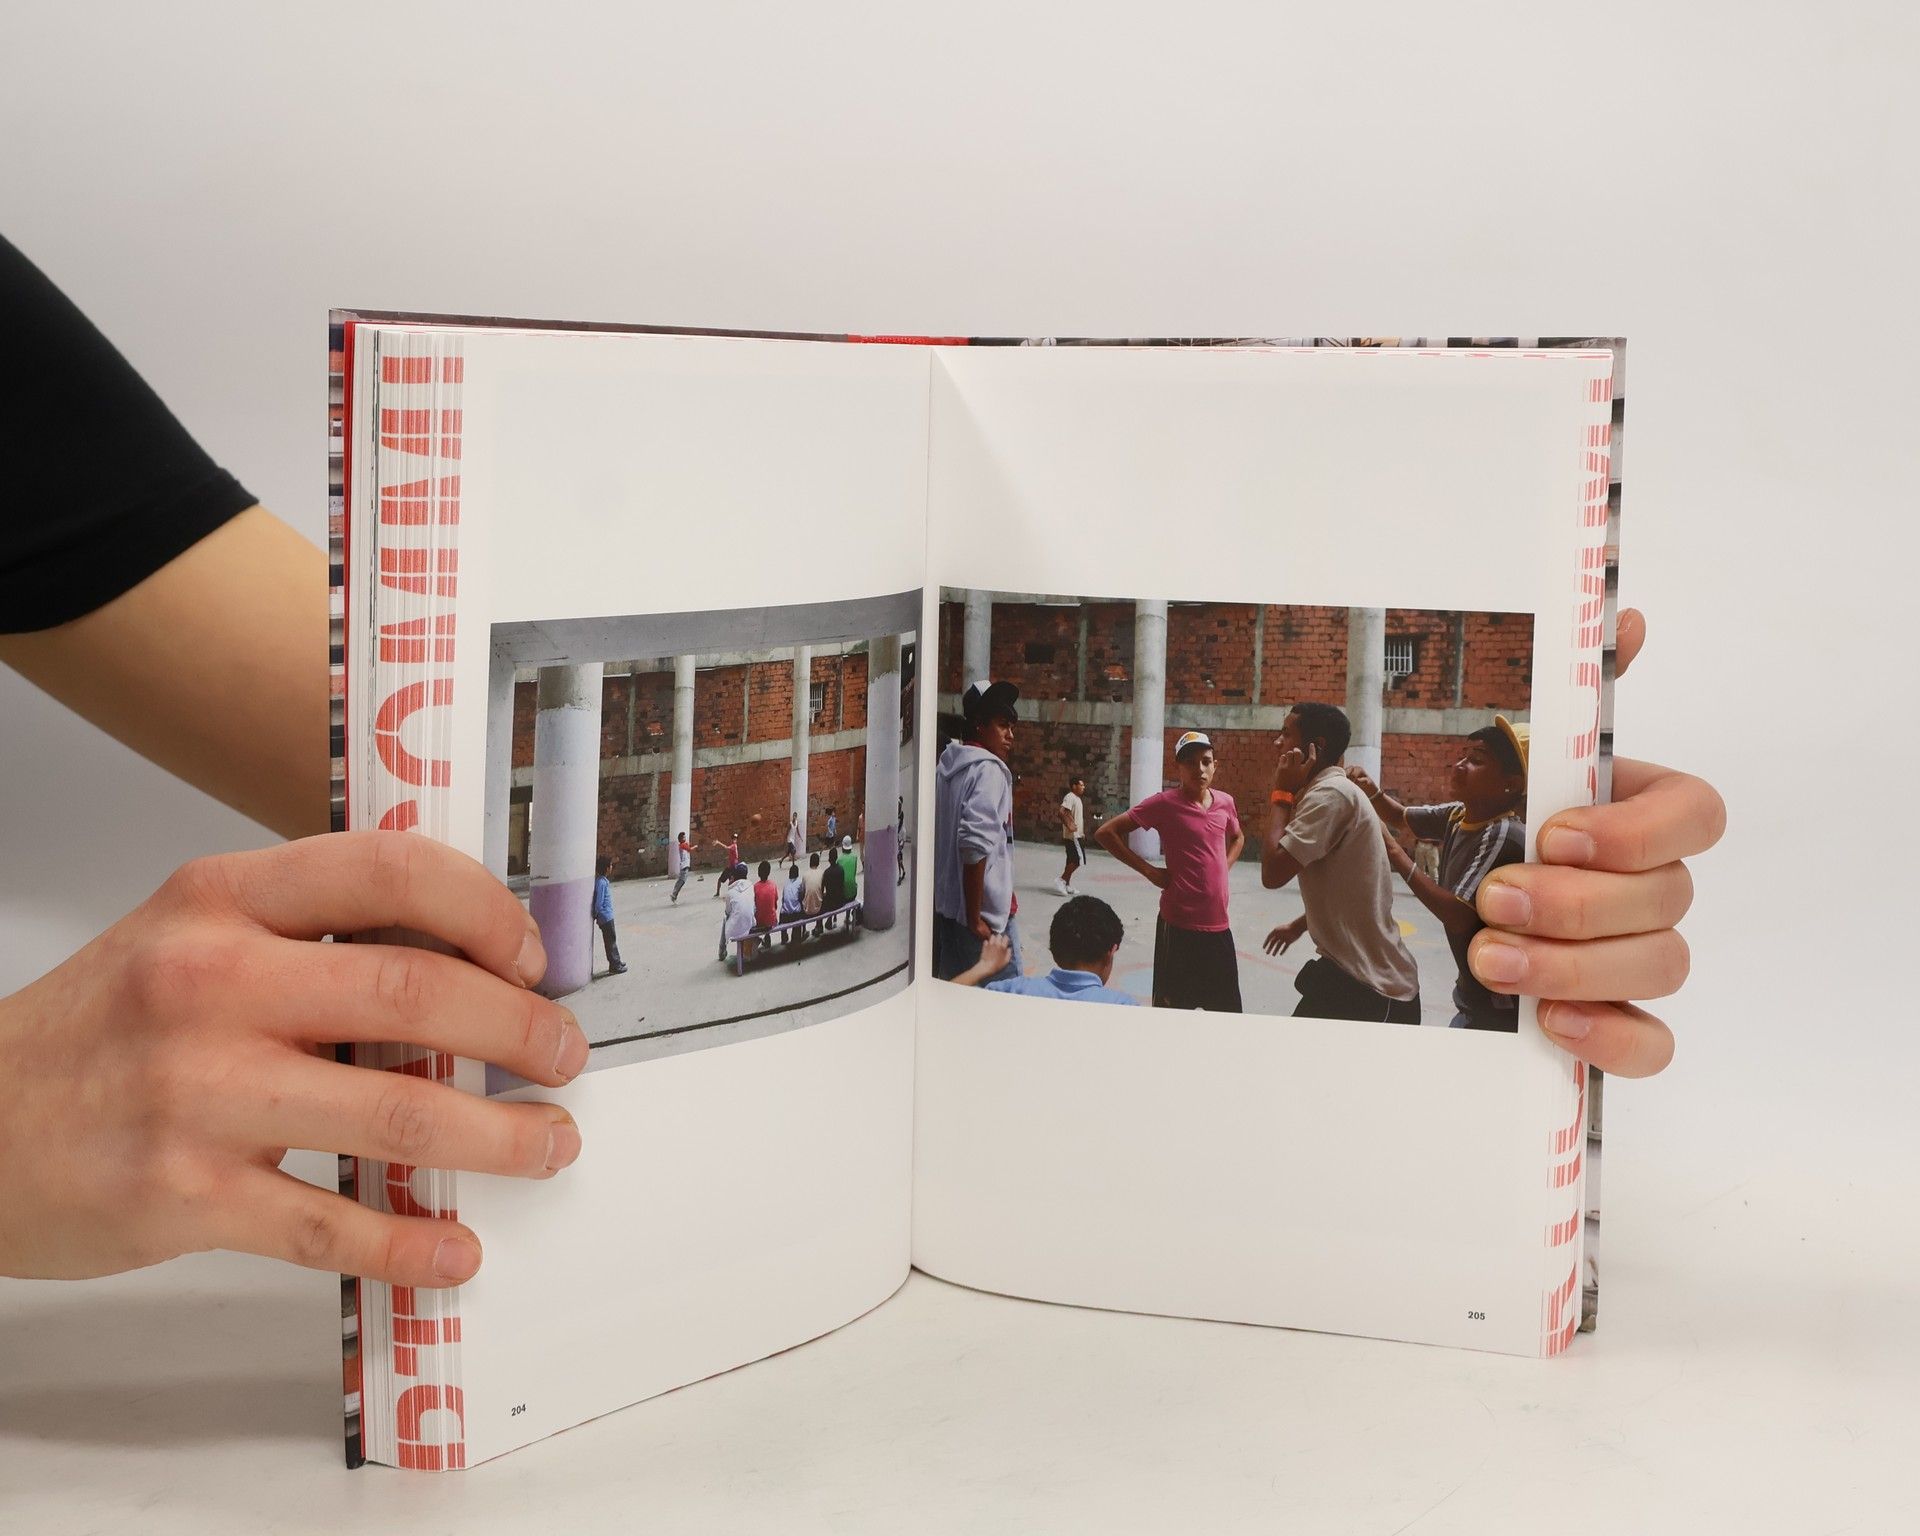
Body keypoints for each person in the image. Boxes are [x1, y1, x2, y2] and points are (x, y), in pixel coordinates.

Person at [0, 233, 1724, 1291]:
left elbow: (377, 728)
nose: (1228, 747)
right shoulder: (1185, 799)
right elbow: (1146, 830)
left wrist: (1523, 824)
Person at [1347, 720, 1530, 1032]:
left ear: (1511, 784)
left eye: (1477, 760)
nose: (1460, 765)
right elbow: (1400, 816)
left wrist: (1394, 851)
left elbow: (1458, 915)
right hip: (1475, 993)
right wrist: (1371, 790)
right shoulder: (1460, 814)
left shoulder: (1502, 833)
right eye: (1463, 756)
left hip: (1500, 1007)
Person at [1258, 703, 1421, 1024]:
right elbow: (1348, 887)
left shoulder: (1331, 795)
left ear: (1315, 747)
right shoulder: (1329, 791)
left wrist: (1281, 792)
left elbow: (1272, 873)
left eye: (1286, 734)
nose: (1277, 742)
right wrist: (1300, 925)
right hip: (1351, 976)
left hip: (1374, 991)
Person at [1096, 732, 1246, 1011]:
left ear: (1215, 765)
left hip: (1218, 926)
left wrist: (1223, 867)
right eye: (1190, 762)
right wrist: (1149, 871)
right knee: (1172, 1012)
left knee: (1227, 1015)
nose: (1199, 769)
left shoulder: (1225, 802)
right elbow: (1106, 833)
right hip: (1178, 928)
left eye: (1206, 761)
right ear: (1178, 767)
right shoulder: (1164, 804)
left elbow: (1238, 837)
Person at [931, 679, 1021, 980]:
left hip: (948, 914)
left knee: (955, 997)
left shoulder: (945, 769)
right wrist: (974, 918)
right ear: (980, 726)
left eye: (1012, 726)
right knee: (1008, 999)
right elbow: (974, 846)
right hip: (985, 921)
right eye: (1002, 725)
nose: (1010, 735)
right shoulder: (989, 770)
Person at [951, 895, 1140, 1005]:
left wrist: (984, 966)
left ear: (1054, 951)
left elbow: (944, 1003)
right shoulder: (1123, 1006)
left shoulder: (1013, 991)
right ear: (1110, 953)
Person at [590, 856, 628, 975]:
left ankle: (617, 961)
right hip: (605, 917)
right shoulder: (601, 883)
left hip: (607, 916)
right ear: (607, 868)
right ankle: (614, 965)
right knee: (610, 942)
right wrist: (596, 913)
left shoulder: (602, 881)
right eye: (610, 865)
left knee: (612, 940)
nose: (612, 867)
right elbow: (599, 902)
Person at [1055, 774, 1088, 896]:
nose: (1083, 787)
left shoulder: (1077, 799)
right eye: (1081, 785)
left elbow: (1073, 815)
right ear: (1074, 786)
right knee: (1078, 860)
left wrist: (1081, 832)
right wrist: (1070, 825)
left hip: (1077, 835)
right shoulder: (1070, 797)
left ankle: (1067, 885)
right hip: (1073, 836)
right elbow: (1061, 812)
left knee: (1071, 860)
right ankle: (1061, 880)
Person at [719, 866, 758, 963]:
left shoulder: (730, 892)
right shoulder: (751, 886)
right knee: (747, 914)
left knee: (725, 919)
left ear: (733, 877)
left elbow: (727, 912)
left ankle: (722, 950)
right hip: (750, 923)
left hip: (736, 929)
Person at [752, 860, 780, 932]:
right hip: (772, 921)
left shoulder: (755, 887)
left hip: (759, 921)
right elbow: (775, 905)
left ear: (759, 873)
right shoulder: (773, 885)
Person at [801, 849, 826, 915]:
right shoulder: (822, 873)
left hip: (806, 908)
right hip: (819, 908)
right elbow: (823, 891)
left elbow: (803, 892)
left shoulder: (805, 874)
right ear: (818, 862)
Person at [670, 830, 692, 903]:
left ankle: (674, 894)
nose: (685, 838)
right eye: (684, 837)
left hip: (685, 865)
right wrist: (695, 846)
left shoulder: (684, 845)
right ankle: (674, 894)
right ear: (681, 839)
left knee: (681, 880)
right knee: (682, 880)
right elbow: (689, 849)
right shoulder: (682, 845)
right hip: (684, 865)